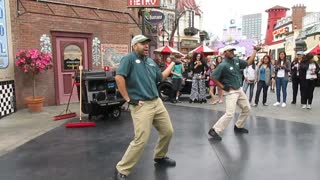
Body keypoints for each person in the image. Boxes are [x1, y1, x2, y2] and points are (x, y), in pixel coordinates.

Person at [114, 35, 176, 180]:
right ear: (134, 45)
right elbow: (119, 77)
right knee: (141, 139)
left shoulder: (149, 62)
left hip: (157, 102)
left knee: (168, 131)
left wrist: (172, 64)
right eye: (142, 43)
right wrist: (128, 99)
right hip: (141, 105)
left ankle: (160, 156)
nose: (146, 46)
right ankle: (121, 169)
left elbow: (160, 78)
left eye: (147, 43)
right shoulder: (128, 59)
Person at [208, 45, 261, 141]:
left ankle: (238, 126)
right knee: (230, 114)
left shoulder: (236, 60)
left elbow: (248, 62)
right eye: (230, 51)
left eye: (233, 50)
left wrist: (254, 51)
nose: (232, 52)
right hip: (231, 92)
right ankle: (214, 130)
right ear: (225, 53)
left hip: (238, 89)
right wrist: (222, 87)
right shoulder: (222, 65)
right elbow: (213, 77)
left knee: (247, 108)